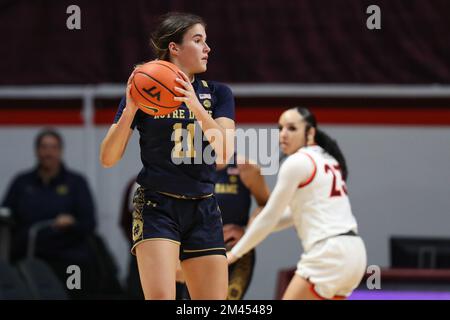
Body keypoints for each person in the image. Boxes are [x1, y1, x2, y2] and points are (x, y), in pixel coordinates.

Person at [100, 12, 235, 300]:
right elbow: (108, 158)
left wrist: (195, 105)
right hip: (157, 205)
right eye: (198, 41)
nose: (207, 48)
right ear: (174, 48)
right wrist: (130, 109)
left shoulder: (219, 94)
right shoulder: (144, 91)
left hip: (203, 207)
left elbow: (224, 153)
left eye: (206, 41)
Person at [227, 107, 367, 300]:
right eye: (280, 128)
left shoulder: (297, 162)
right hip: (355, 255)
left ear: (310, 133)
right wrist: (257, 227)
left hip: (328, 254)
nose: (283, 134)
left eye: (292, 128)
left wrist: (235, 253)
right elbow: (292, 215)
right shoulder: (327, 159)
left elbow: (270, 215)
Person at [2, 129, 98, 299]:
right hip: (29, 257)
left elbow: (89, 223)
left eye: (53, 147)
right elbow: (5, 215)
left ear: (60, 151)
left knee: (74, 293)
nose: (48, 152)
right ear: (37, 151)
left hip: (69, 259)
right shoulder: (22, 182)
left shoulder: (76, 183)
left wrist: (71, 223)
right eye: (44, 147)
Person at [175, 154, 270, 300]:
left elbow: (266, 206)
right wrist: (175, 259)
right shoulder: (187, 167)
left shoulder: (245, 167)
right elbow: (175, 213)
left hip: (234, 250)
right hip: (196, 251)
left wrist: (247, 233)